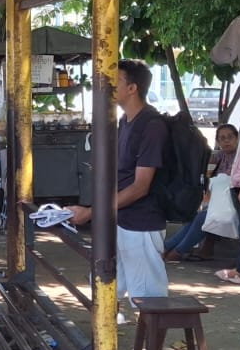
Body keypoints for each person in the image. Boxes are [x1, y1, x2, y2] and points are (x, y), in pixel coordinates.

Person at [49, 58, 170, 333]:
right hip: (119, 220)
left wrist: (92, 212)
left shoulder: (151, 125)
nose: (107, 87)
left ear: (132, 88)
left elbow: (141, 186)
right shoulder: (126, 122)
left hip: (141, 223)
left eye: (115, 81)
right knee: (104, 287)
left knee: (148, 298)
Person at [163, 123, 240, 261]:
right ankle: (169, 247)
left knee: (202, 218)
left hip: (237, 203)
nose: (226, 141)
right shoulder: (217, 157)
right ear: (218, 141)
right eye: (222, 138)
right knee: (197, 216)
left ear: (237, 138)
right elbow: (209, 181)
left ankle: (177, 250)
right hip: (218, 203)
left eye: (230, 137)